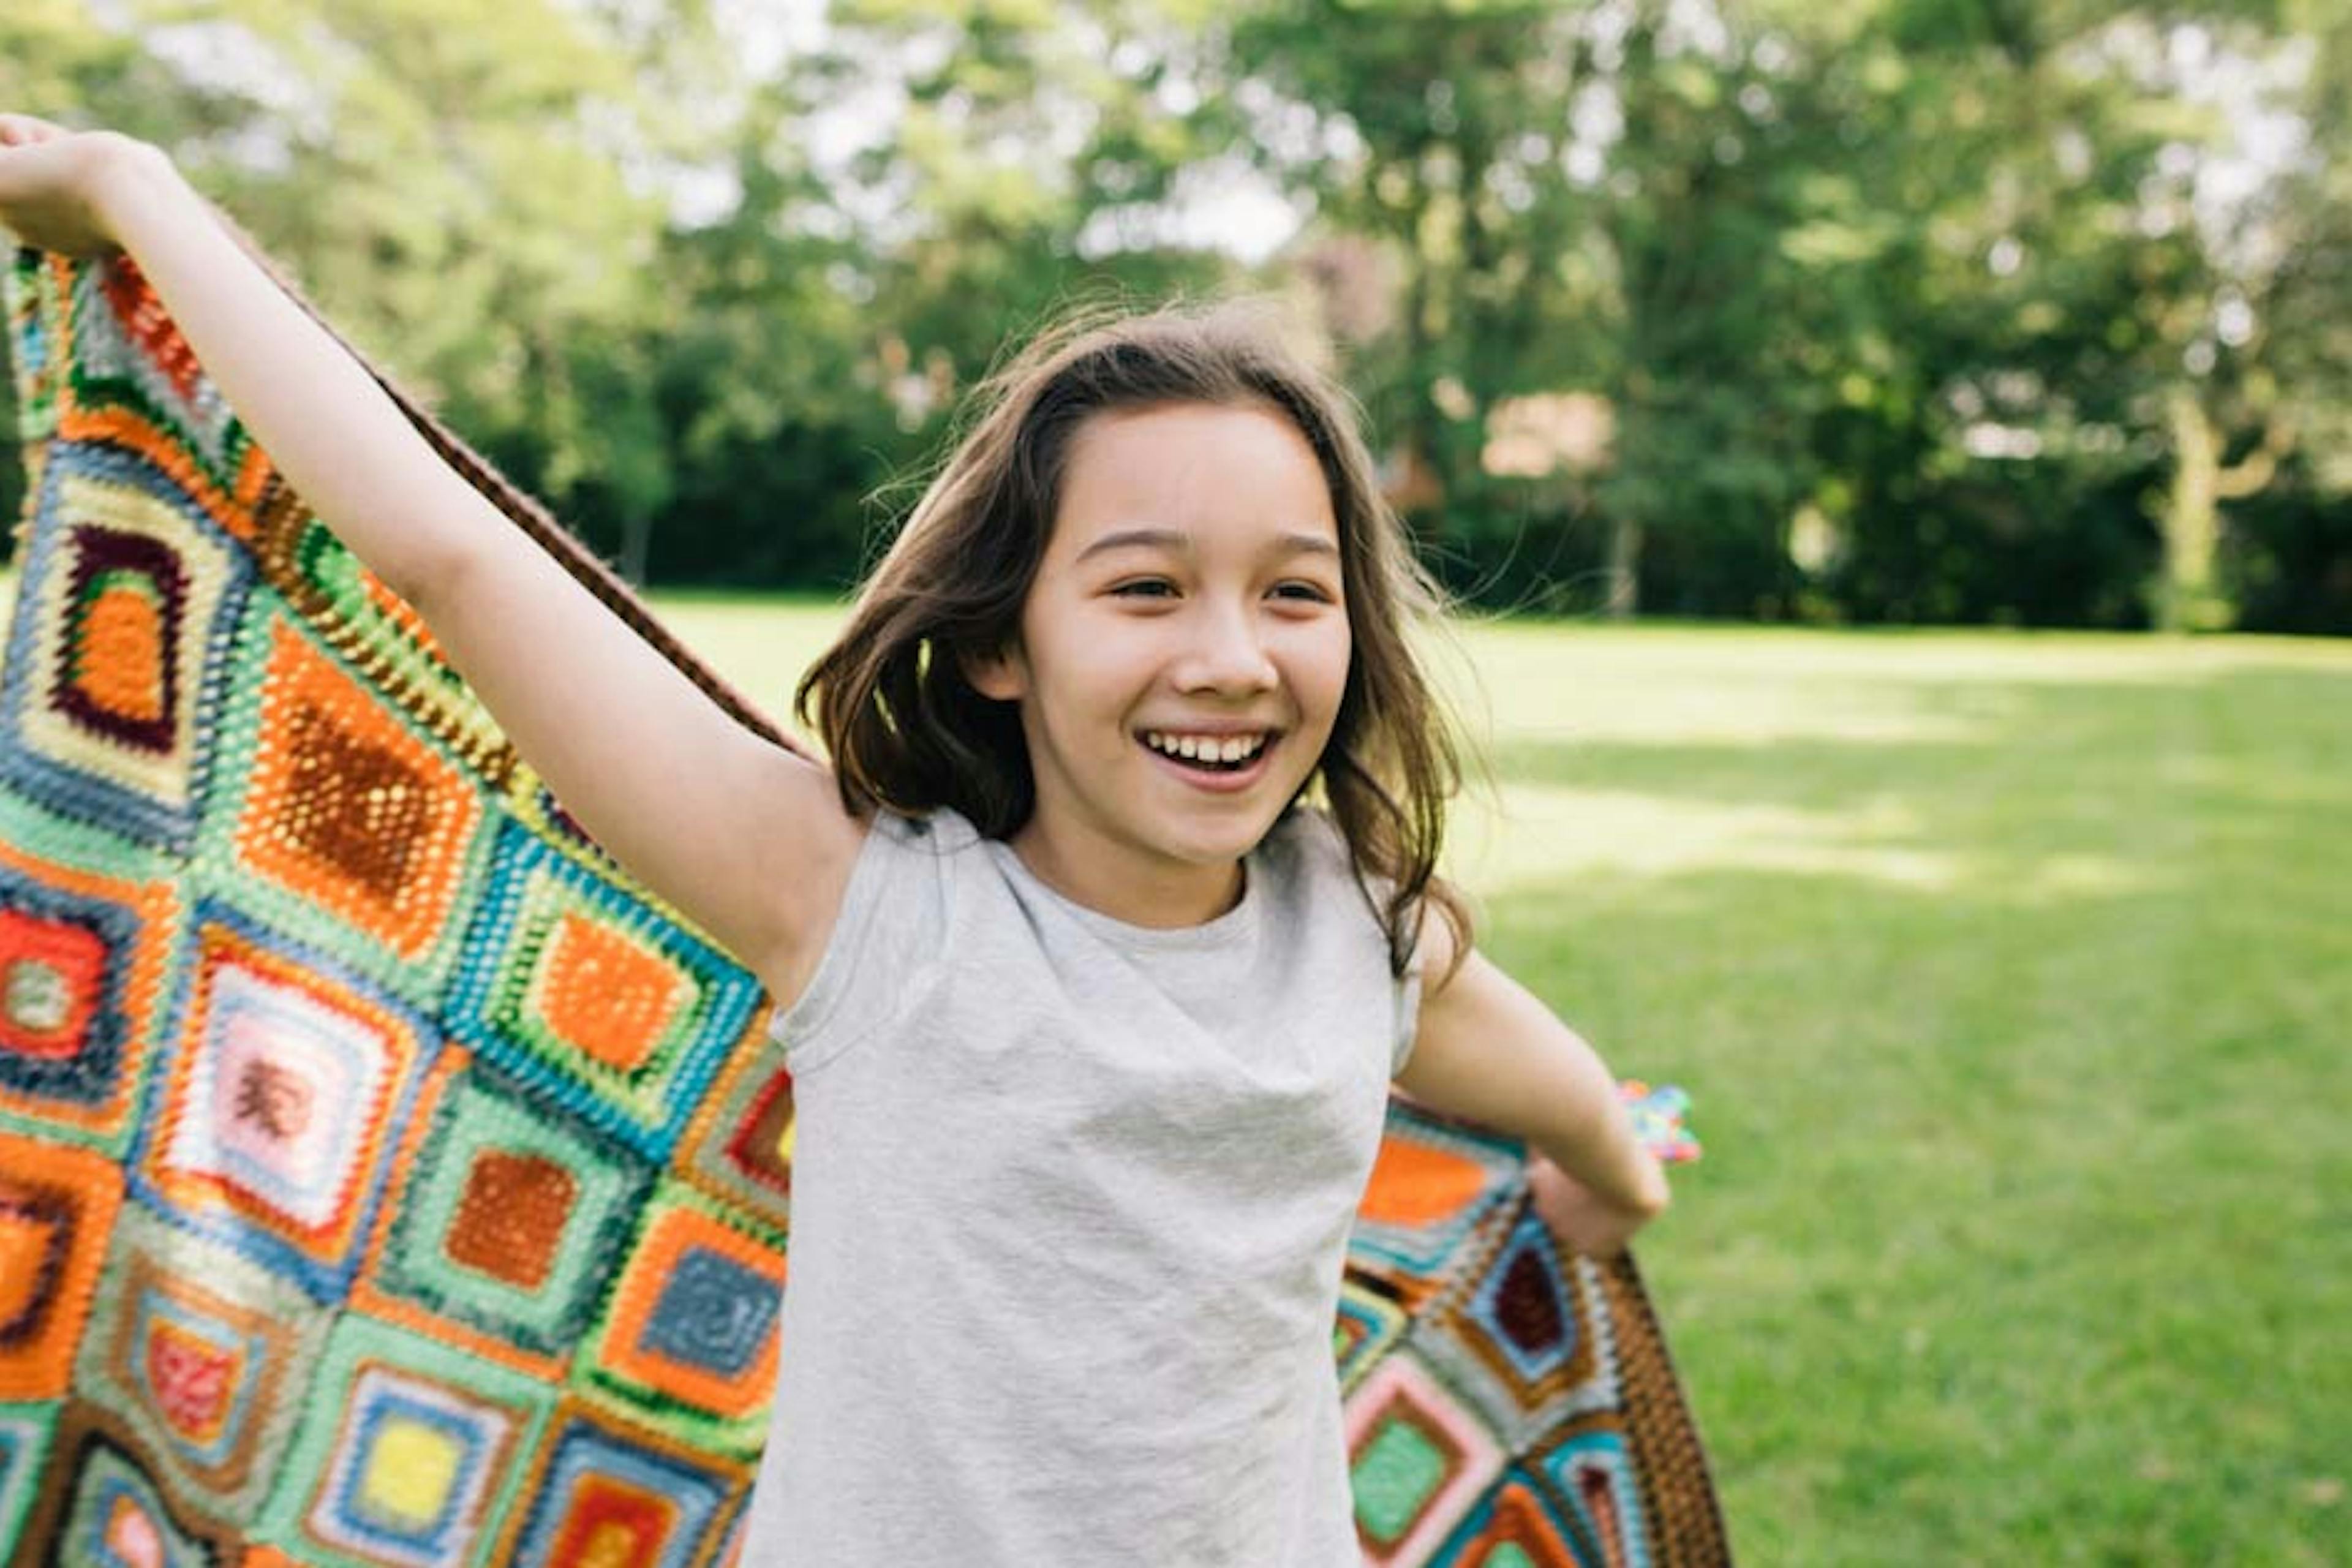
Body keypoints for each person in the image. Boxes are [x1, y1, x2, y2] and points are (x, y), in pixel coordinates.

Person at [0, 115, 1671, 1565]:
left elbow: (1565, 1092)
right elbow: (455, 563)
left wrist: (1601, 1185)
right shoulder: (863, 903)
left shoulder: (1362, 932)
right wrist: (146, 199)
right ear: (1001, 643)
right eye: (1146, 587)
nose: (1231, 655)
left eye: (1293, 593)